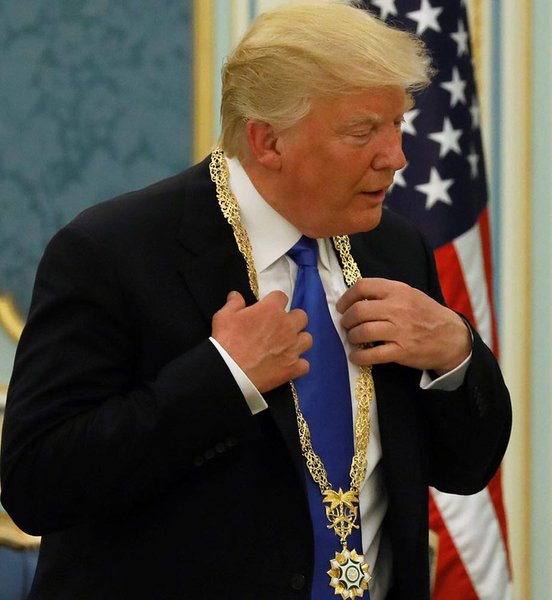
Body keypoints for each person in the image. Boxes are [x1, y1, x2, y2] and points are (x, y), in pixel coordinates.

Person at [0, 3, 511, 599]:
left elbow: (466, 469)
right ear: (268, 141)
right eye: (364, 130)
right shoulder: (114, 251)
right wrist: (223, 377)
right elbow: (38, 485)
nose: (395, 156)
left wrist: (454, 354)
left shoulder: (394, 248)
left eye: (398, 125)